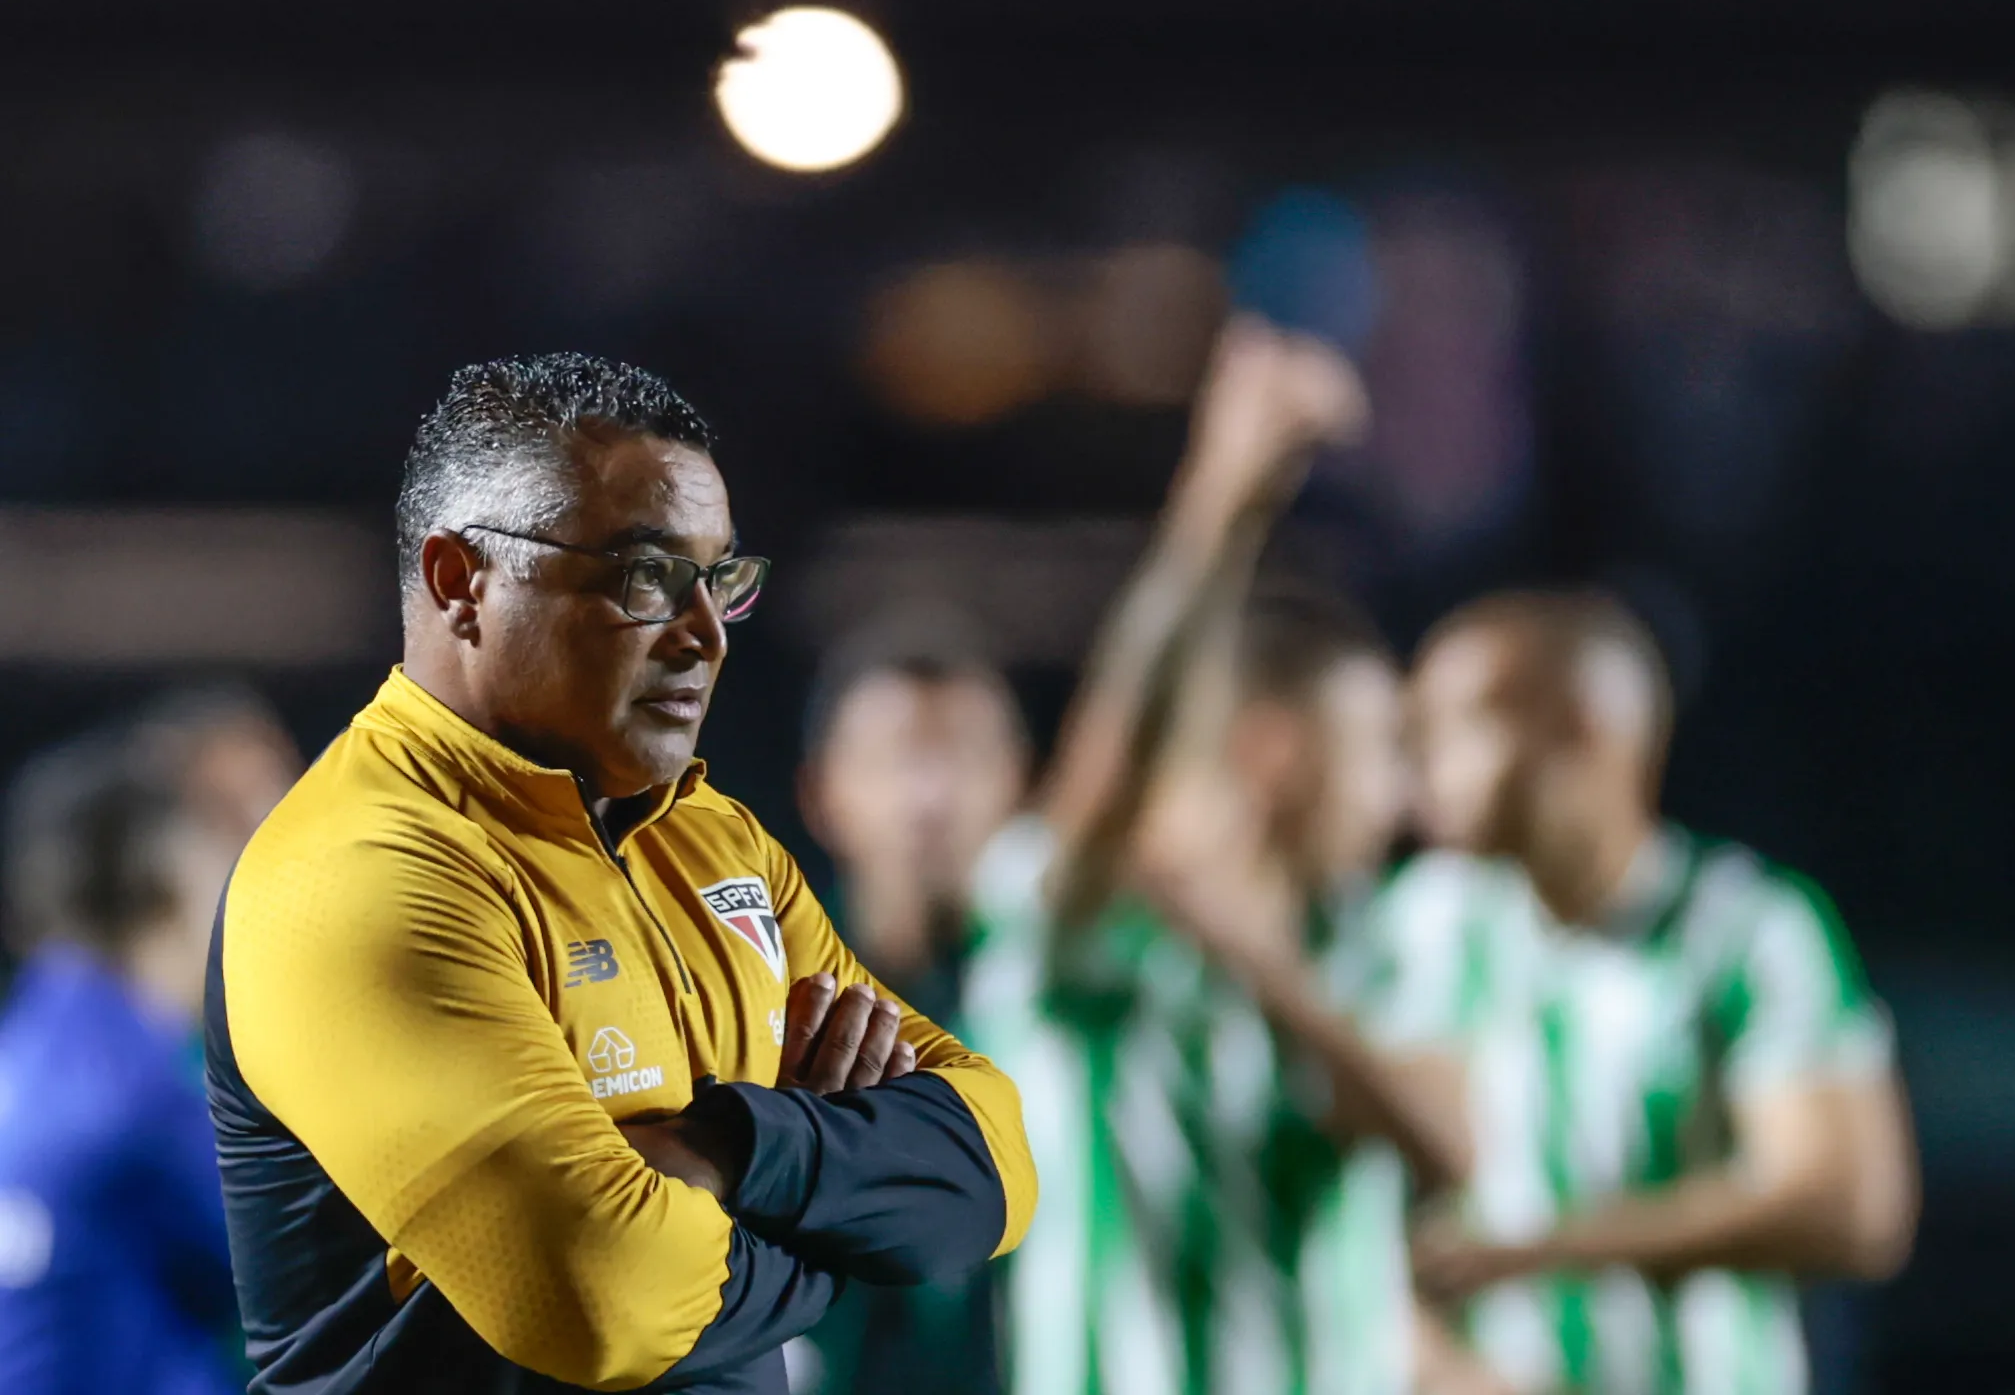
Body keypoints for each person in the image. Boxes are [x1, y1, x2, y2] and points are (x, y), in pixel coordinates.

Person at [204, 353, 1037, 1395]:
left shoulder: (716, 842)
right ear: (460, 583)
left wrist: (728, 1145)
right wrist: (843, 1219)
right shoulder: (357, 872)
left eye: (719, 580)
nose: (701, 637)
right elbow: (605, 1301)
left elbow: (997, 1166)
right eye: (645, 577)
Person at [962, 316, 1428, 1395]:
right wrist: (1222, 498)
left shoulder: (1371, 941)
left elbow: (1449, 1151)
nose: (1400, 794)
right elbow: (1107, 779)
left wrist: (1261, 961)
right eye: (1375, 750)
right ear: (1271, 750)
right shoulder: (1080, 928)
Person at [1377, 590, 1919, 1395]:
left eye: (1455, 725)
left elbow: (1851, 1206)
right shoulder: (1421, 925)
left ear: (1580, 726)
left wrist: (1542, 1251)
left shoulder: (1743, 928)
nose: (1420, 767)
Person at [0, 702, 292, 1395]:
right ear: (168, 877)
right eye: (217, 860)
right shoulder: (133, 1084)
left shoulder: (41, 1037)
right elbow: (299, 1274)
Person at [792, 635, 1032, 1395]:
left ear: (1017, 782)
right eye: (897, 758)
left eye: (961, 755)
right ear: (821, 791)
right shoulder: (757, 1001)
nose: (930, 798)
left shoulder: (1066, 1000)